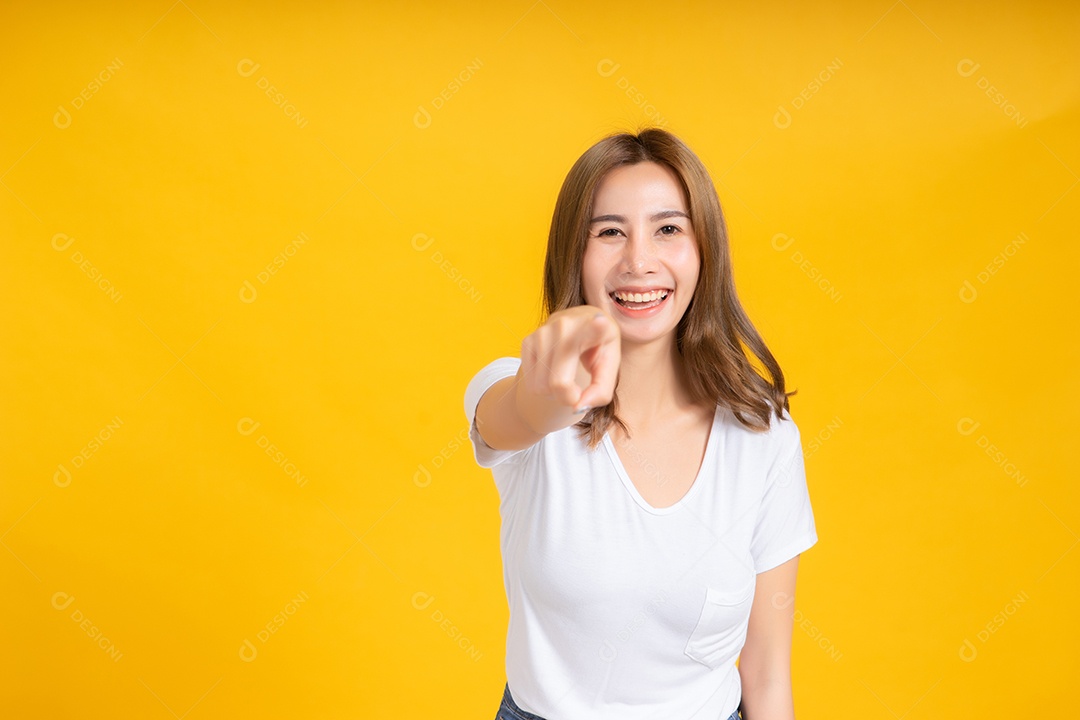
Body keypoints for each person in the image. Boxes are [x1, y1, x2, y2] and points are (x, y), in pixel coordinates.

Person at [464, 127, 818, 720]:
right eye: (609, 232)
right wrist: (553, 399)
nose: (638, 260)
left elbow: (767, 676)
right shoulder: (524, 389)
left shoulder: (764, 435)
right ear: (572, 255)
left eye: (668, 229)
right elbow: (519, 413)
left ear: (705, 250)